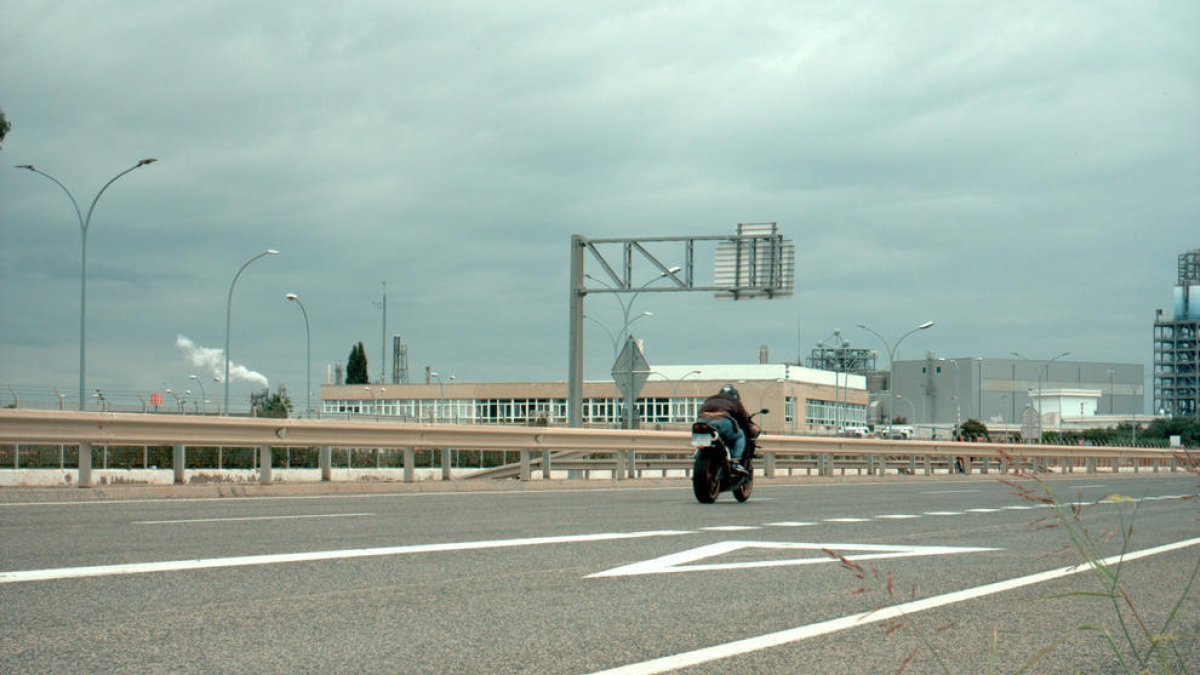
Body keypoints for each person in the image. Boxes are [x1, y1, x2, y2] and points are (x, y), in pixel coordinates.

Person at [696, 385, 760, 473]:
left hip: (701, 421)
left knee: (703, 444)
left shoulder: (710, 399)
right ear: (735, 396)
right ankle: (735, 462)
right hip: (721, 421)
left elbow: (700, 411)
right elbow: (743, 420)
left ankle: (698, 455)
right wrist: (749, 431)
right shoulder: (734, 401)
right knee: (740, 436)